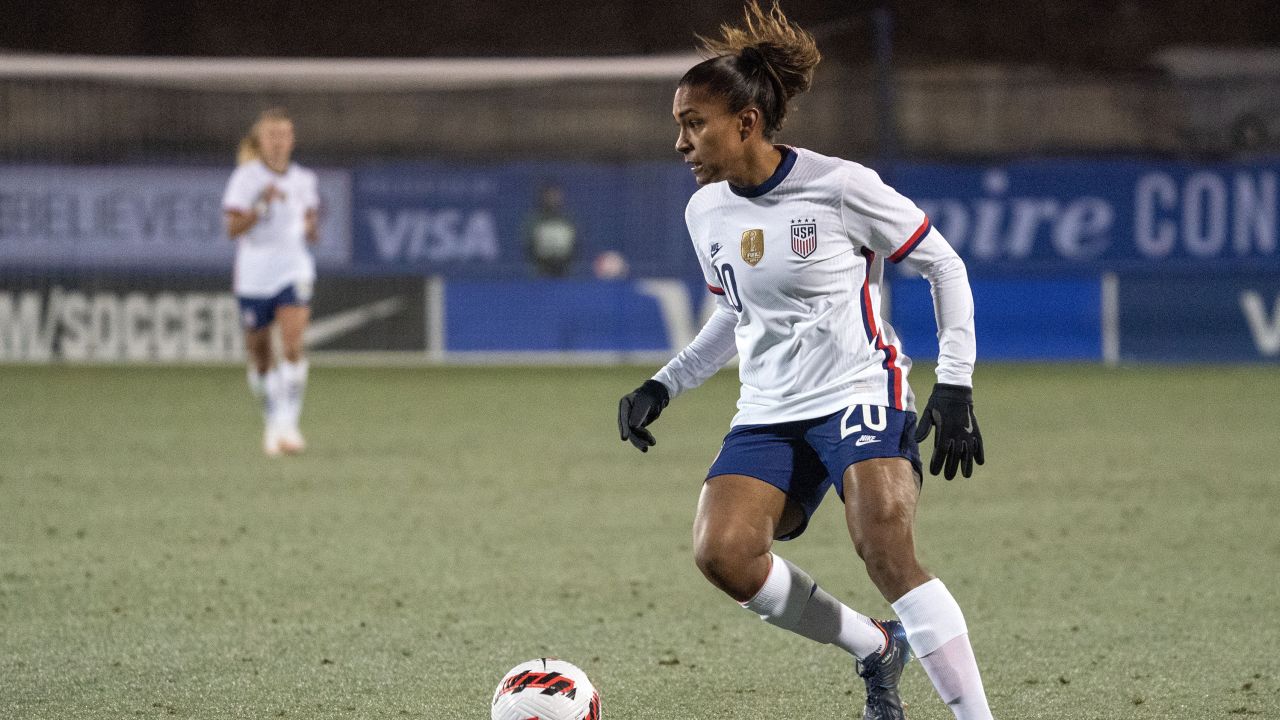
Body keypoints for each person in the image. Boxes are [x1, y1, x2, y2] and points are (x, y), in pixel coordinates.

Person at [617, 3, 993, 719]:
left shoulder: (842, 186)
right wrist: (663, 385)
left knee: (882, 544)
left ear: (747, 123)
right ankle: (875, 647)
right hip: (770, 406)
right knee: (723, 554)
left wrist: (955, 383)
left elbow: (944, 265)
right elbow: (733, 312)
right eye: (680, 124)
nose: (680, 141)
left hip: (859, 388)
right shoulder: (705, 213)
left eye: (694, 123)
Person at [222, 108, 319, 457]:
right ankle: (271, 422)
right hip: (254, 275)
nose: (278, 143)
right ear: (260, 141)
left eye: (284, 135)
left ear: (292, 140)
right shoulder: (245, 179)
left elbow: (313, 229)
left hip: (294, 269)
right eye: (271, 136)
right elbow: (231, 228)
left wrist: (310, 226)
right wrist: (262, 207)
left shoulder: (305, 179)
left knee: (292, 346)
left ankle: (288, 424)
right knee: (261, 359)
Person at [523, 182, 577, 277]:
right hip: (540, 274)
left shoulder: (569, 221)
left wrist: (564, 264)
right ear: (543, 197)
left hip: (565, 274)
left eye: (555, 195)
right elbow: (528, 248)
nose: (552, 199)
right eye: (549, 196)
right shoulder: (534, 222)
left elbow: (577, 247)